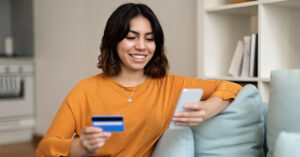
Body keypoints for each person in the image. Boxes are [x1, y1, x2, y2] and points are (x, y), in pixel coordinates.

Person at [36, 3, 242, 157]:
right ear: (113, 40)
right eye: (131, 37)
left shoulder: (169, 85)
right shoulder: (85, 90)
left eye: (150, 39)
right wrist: (81, 147)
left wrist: (207, 110)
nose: (142, 46)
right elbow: (45, 148)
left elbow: (232, 87)